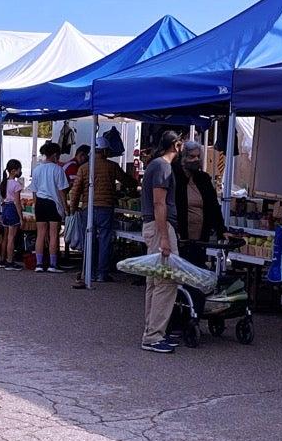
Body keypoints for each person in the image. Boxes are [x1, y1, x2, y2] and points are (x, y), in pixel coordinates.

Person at [140, 133, 183, 354]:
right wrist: (165, 237)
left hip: (155, 227)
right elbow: (159, 203)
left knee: (155, 283)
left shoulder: (155, 165)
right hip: (160, 227)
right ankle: (154, 336)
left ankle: (152, 332)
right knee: (166, 282)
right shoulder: (163, 167)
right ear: (176, 145)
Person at [66, 143, 132, 287]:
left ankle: (89, 271)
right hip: (106, 207)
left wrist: (72, 208)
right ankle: (102, 273)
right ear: (105, 151)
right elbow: (127, 181)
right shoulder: (111, 166)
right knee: (104, 240)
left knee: (89, 239)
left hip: (87, 208)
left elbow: (76, 190)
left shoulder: (84, 168)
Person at [173, 140, 226, 253]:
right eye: (192, 156)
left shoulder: (204, 179)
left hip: (201, 237)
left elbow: (214, 206)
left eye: (198, 156)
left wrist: (221, 230)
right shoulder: (175, 179)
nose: (196, 160)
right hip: (180, 237)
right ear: (183, 159)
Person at [29, 142, 68, 273]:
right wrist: (65, 207)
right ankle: (53, 264)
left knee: (40, 234)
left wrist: (35, 205)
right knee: (53, 235)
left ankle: (39, 264)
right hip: (53, 203)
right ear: (56, 155)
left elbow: (33, 190)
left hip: (40, 202)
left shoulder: (37, 169)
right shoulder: (58, 170)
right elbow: (62, 191)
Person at [0, 159, 24, 270]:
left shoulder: (4, 183)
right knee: (11, 238)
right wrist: (21, 217)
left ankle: (3, 260)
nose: (20, 172)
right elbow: (17, 202)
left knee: (5, 236)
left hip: (5, 209)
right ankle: (10, 261)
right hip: (12, 209)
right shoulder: (16, 185)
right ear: (13, 171)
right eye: (19, 170)